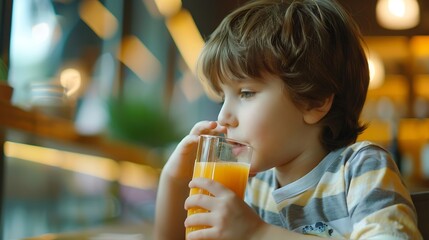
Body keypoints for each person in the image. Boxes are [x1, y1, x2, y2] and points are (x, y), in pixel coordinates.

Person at [154, 0, 422, 239]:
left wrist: (258, 232)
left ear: (314, 101)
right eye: (223, 96)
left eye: (246, 93)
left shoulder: (360, 169)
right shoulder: (254, 187)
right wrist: (174, 180)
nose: (223, 116)